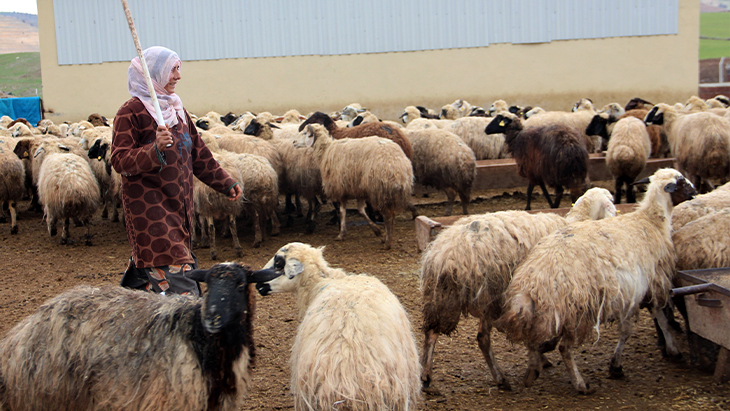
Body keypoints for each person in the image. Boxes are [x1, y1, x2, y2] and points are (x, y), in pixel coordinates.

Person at [111, 46, 242, 296]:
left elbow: (198, 153)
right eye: (172, 70)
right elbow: (119, 160)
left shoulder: (177, 111)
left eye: (178, 69)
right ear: (154, 74)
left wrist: (224, 182)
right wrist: (154, 149)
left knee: (148, 282)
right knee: (184, 292)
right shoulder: (131, 112)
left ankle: (131, 308)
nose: (178, 76)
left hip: (179, 210)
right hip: (151, 214)